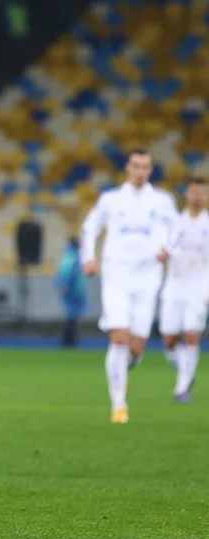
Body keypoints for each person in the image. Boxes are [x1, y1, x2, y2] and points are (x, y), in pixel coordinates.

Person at [80, 149, 180, 424]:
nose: (140, 171)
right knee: (119, 338)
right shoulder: (111, 199)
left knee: (136, 347)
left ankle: (124, 369)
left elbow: (178, 230)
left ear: (150, 170)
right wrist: (89, 256)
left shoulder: (162, 201)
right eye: (136, 166)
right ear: (128, 167)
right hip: (117, 275)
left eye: (146, 166)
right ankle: (119, 403)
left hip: (148, 278)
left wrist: (169, 249)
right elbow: (91, 227)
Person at [159, 177, 209, 403]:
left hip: (199, 287)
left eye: (202, 192)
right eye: (194, 191)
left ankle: (181, 389)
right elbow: (162, 251)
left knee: (191, 333)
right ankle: (185, 373)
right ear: (187, 193)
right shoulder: (174, 223)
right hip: (174, 285)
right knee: (169, 339)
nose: (198, 196)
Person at [54, 237, 86, 347]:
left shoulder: (68, 256)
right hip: (73, 291)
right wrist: (65, 286)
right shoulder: (73, 258)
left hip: (71, 291)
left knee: (71, 316)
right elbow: (68, 275)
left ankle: (68, 340)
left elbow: (61, 274)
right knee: (72, 316)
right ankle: (68, 340)